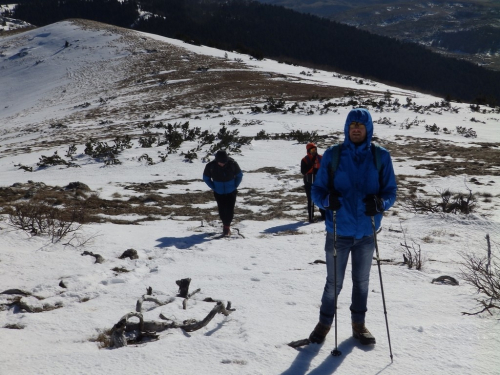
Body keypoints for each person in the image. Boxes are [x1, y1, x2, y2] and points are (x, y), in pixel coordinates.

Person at [309, 108, 397, 346]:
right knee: (333, 284)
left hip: (367, 233)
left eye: (361, 125)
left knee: (361, 282)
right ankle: (324, 323)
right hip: (338, 231)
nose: (356, 128)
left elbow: (390, 192)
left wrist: (380, 203)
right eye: (352, 125)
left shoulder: (381, 156)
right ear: (347, 129)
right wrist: (327, 201)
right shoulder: (333, 155)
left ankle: (358, 325)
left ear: (368, 129)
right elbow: (317, 191)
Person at [203, 150, 243, 236]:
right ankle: (225, 224)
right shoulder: (210, 166)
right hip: (218, 192)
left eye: (224, 162)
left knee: (229, 210)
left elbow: (239, 175)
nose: (222, 164)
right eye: (221, 162)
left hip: (231, 192)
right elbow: (206, 178)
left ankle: (226, 227)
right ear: (217, 160)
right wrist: (213, 187)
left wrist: (235, 185)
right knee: (222, 210)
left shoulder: (232, 164)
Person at [301, 143, 326, 223]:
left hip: (320, 181)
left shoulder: (321, 158)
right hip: (308, 182)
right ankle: (311, 217)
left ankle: (324, 216)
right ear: (308, 151)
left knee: (321, 198)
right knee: (310, 199)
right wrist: (311, 165)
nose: (314, 151)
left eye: (315, 149)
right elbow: (303, 171)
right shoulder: (304, 160)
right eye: (312, 150)